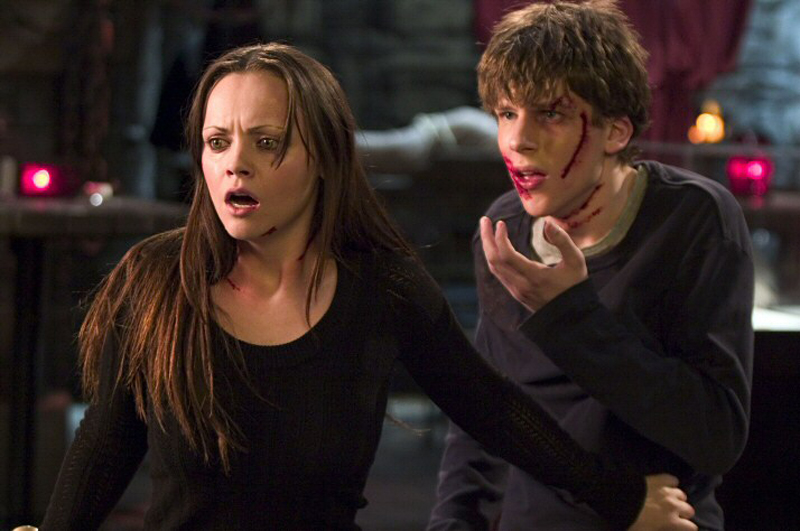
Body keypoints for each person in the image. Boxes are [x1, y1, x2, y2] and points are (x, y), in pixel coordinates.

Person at [40, 43, 693, 531]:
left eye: (267, 141)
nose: (235, 162)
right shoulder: (156, 279)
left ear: (324, 157)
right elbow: (107, 439)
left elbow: (493, 410)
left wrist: (622, 499)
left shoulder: (382, 288)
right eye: (217, 141)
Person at [428, 2, 754, 531]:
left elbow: (715, 435)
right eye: (507, 114)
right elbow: (483, 421)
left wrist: (569, 315)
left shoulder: (694, 218)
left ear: (616, 132)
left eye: (550, 114)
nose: (518, 140)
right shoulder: (505, 227)